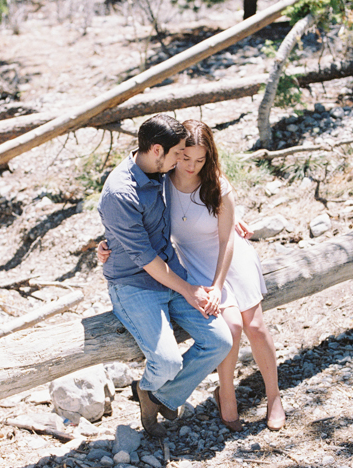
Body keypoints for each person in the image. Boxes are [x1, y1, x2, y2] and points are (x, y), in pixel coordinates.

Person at [99, 120, 286, 432]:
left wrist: (232, 216)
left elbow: (218, 217)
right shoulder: (150, 180)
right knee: (214, 336)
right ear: (165, 152)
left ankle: (270, 396)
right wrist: (108, 245)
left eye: (196, 159)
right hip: (165, 272)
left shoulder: (184, 174)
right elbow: (128, 224)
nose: (186, 164)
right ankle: (209, 396)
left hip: (202, 263)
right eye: (181, 156)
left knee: (239, 331)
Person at [97, 114, 233, 438]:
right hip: (134, 283)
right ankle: (147, 387)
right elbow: (145, 259)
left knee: (220, 341)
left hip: (170, 271)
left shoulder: (157, 169)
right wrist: (190, 290)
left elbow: (206, 194)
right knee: (168, 361)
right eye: (176, 155)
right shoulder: (120, 192)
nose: (180, 162)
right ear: (157, 150)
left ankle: (162, 395)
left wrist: (231, 219)